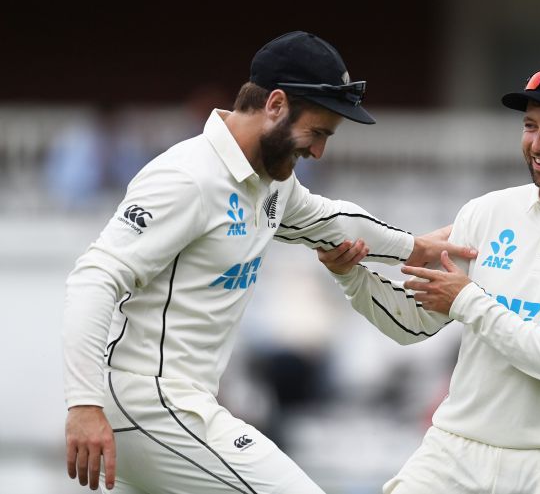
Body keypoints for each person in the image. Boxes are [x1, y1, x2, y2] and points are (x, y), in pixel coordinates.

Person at [62, 30, 476, 494]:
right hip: (145, 403)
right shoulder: (189, 178)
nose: (318, 151)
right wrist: (83, 404)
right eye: (316, 133)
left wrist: (412, 248)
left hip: (185, 403)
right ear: (275, 105)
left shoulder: (268, 182)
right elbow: (94, 278)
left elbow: (328, 218)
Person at [318, 64, 540, 493]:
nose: (537, 143)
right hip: (456, 450)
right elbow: (413, 323)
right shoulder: (488, 212)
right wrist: (351, 276)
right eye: (530, 126)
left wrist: (469, 301)